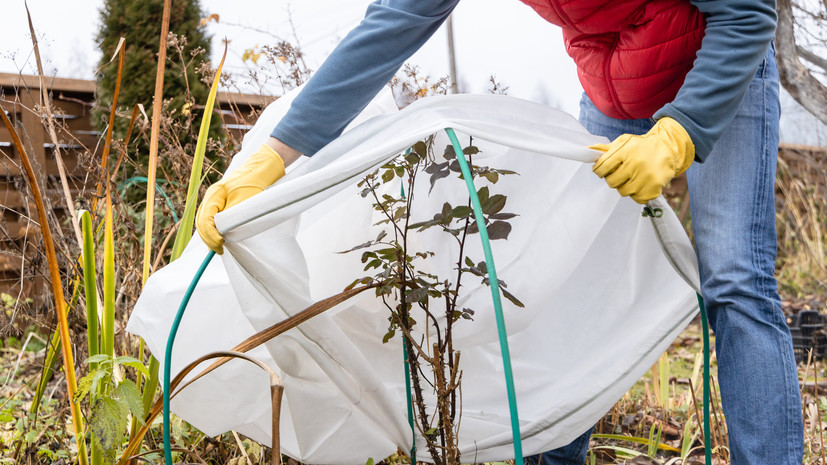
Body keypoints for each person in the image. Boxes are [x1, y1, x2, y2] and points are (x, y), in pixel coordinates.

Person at [195, 0, 805, 463]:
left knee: (733, 280)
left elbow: (747, 13)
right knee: (573, 279)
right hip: (613, 87)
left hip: (716, 65)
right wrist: (275, 156)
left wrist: (680, 132)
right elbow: (393, 23)